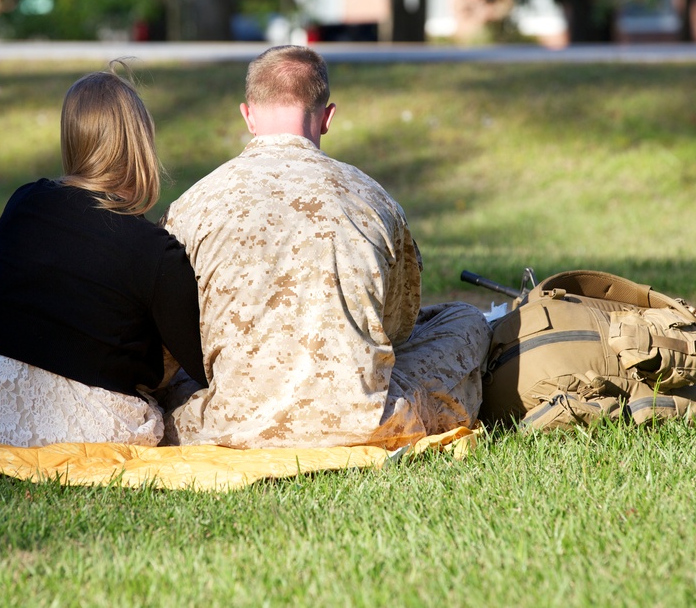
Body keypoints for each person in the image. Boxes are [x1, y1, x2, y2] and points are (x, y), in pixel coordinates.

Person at [160, 45, 491, 450]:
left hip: (229, 427)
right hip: (362, 425)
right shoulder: (373, 197)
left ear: (247, 115)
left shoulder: (194, 205)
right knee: (465, 321)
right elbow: (397, 327)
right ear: (328, 117)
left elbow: (170, 331)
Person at [0, 62, 206, 450]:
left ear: (73, 139)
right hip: (85, 432)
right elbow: (202, 363)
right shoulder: (154, 251)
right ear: (141, 146)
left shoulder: (24, 204)